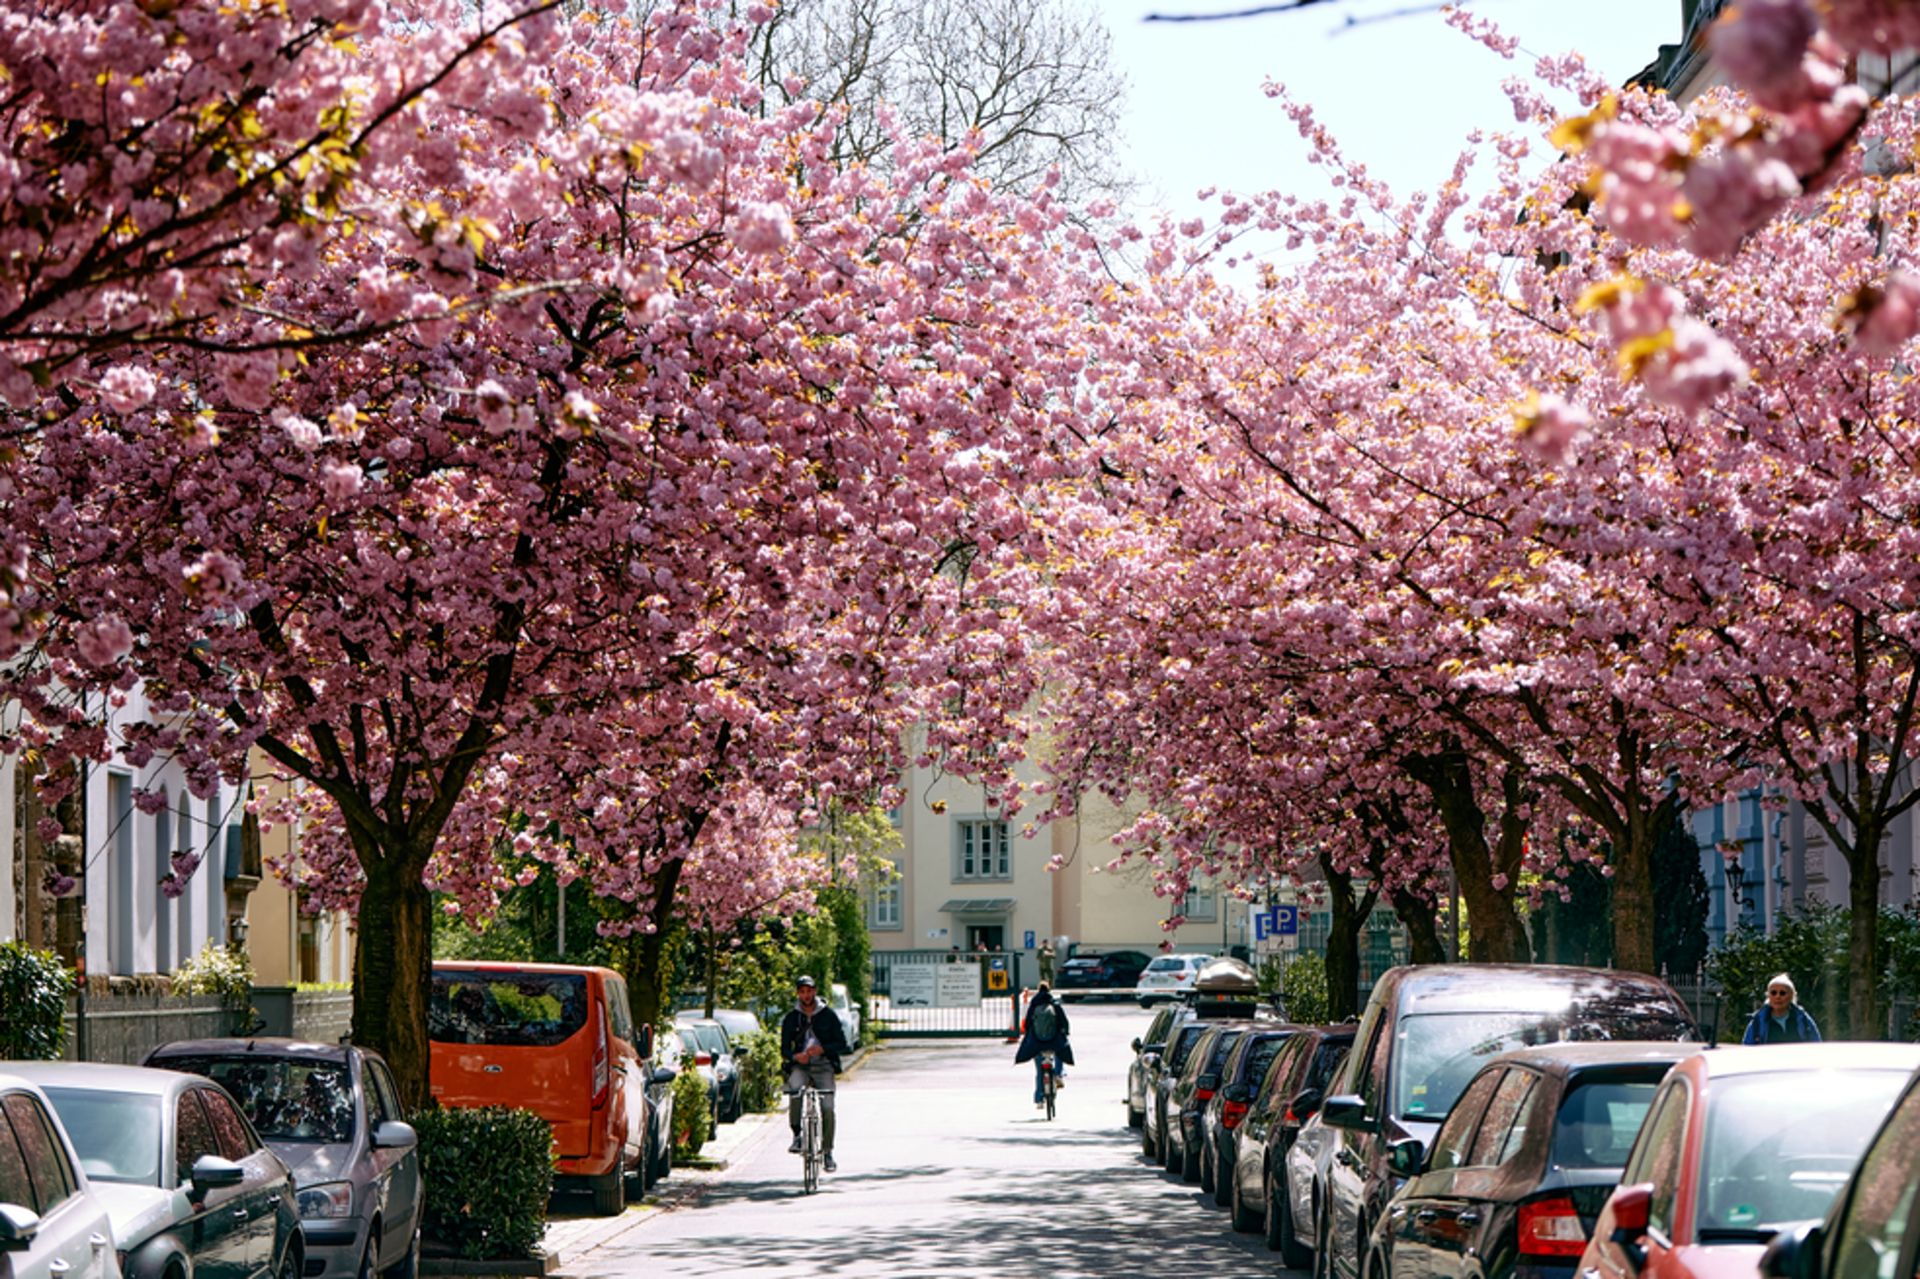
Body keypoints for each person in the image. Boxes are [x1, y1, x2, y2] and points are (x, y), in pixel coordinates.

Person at [781, 975, 850, 1172]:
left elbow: (842, 1043)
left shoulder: (828, 1015)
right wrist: (796, 1057)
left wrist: (823, 1050)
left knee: (827, 1106)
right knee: (794, 1089)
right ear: (798, 994)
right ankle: (797, 1135)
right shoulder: (791, 1018)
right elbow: (784, 1049)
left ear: (815, 991)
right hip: (801, 1066)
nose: (806, 995)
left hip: (824, 1066)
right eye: (802, 991)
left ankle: (827, 1152)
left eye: (809, 991)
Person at [1015, 982, 1075, 1108]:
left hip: (1037, 1042)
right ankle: (1058, 1074)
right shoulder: (1055, 1004)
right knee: (1061, 1050)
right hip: (1053, 1041)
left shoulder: (1034, 1004)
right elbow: (1064, 1022)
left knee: (1039, 1070)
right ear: (1049, 990)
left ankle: (1039, 1099)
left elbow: (1026, 1025)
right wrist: (1065, 1032)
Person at [1742, 972, 1822, 1044]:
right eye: (1773, 993)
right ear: (1768, 996)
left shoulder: (1803, 1019)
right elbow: (1746, 1050)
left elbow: (1817, 1047)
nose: (1778, 996)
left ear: (1791, 996)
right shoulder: (1758, 1022)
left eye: (1782, 993)